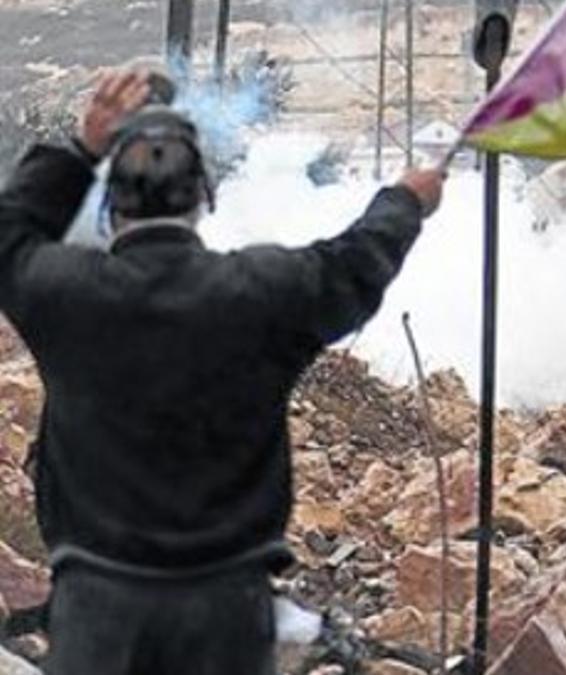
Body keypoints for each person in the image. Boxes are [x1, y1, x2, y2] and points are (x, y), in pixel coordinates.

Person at [0, 70, 445, 674]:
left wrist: (80, 151)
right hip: (227, 613)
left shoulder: (67, 293)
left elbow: (8, 239)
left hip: (95, 612)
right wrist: (407, 199)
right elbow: (357, 260)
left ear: (113, 204)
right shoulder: (260, 293)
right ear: (201, 196)